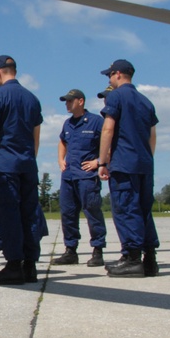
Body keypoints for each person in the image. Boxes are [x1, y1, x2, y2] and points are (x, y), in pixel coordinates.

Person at [0, 55, 43, 285]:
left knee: (10, 216)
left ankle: (14, 265)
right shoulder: (32, 98)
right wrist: (29, 160)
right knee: (29, 215)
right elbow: (36, 136)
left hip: (7, 166)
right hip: (28, 165)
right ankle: (30, 266)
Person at [97, 59, 160, 277]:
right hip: (144, 163)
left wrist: (102, 161)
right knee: (143, 211)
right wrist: (146, 158)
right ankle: (149, 259)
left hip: (124, 163)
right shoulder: (146, 101)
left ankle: (133, 258)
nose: (109, 80)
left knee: (126, 208)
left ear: (117, 74)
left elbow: (108, 130)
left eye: (109, 76)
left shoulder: (116, 96)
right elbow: (152, 136)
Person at [54, 88, 107, 267]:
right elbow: (62, 141)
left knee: (92, 210)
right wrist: (61, 160)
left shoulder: (95, 122)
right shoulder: (67, 124)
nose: (67, 104)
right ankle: (70, 250)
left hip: (86, 176)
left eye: (70, 101)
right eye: (66, 101)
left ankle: (98, 250)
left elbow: (109, 143)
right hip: (69, 177)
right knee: (67, 213)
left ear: (81, 101)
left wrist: (99, 162)